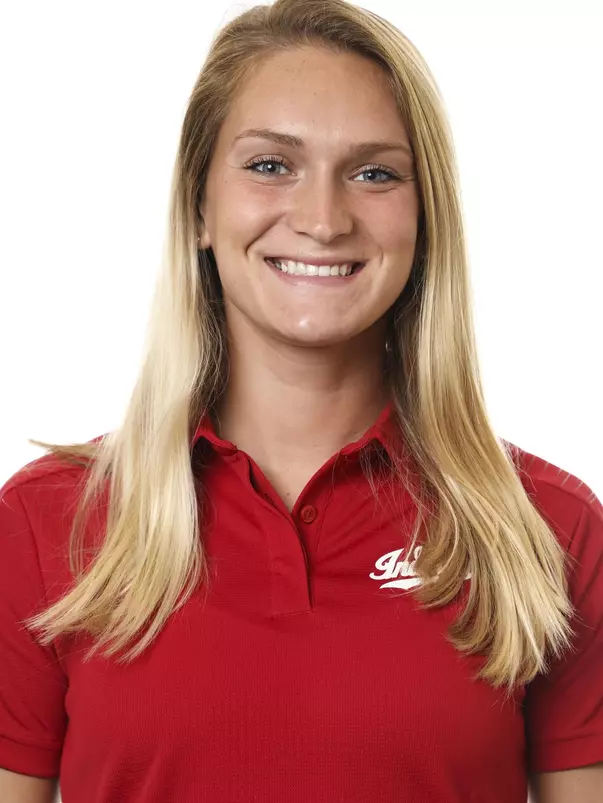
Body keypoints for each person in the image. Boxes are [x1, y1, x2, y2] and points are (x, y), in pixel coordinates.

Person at [1, 0, 602, 801]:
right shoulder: (47, 525)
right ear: (198, 209)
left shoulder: (544, 531)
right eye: (270, 165)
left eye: (374, 172)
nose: (322, 219)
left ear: (424, 221)